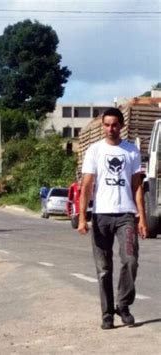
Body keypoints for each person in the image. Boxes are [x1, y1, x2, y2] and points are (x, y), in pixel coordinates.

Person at [78, 107, 147, 330]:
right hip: (101, 216)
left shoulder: (131, 151)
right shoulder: (94, 150)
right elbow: (87, 185)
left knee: (130, 260)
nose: (110, 129)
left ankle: (123, 306)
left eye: (114, 124)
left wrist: (142, 218)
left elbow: (137, 186)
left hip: (126, 214)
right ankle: (107, 314)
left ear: (121, 125)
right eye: (106, 125)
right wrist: (82, 217)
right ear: (103, 126)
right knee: (104, 268)